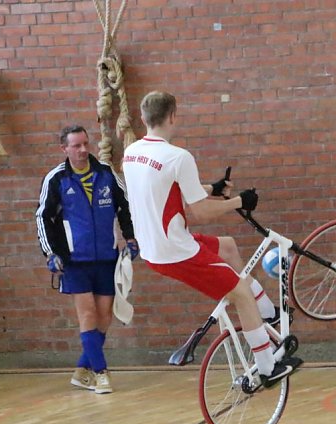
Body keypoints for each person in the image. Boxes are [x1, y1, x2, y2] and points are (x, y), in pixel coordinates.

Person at [122, 91, 301, 386]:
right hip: (178, 252)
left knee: (228, 246)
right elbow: (201, 213)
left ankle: (268, 314)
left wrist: (211, 187)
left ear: (142, 118)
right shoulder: (178, 156)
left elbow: (169, 188)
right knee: (240, 293)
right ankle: (268, 366)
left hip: (154, 248)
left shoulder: (131, 153)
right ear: (173, 116)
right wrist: (238, 201)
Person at [35, 125, 139, 394]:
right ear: (64, 149)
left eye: (85, 144)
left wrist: (130, 237)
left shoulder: (106, 174)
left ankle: (82, 369)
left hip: (106, 257)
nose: (83, 150)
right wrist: (51, 253)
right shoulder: (56, 179)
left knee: (105, 316)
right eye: (76, 146)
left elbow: (125, 205)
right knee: (88, 314)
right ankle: (101, 373)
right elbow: (42, 218)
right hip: (74, 261)